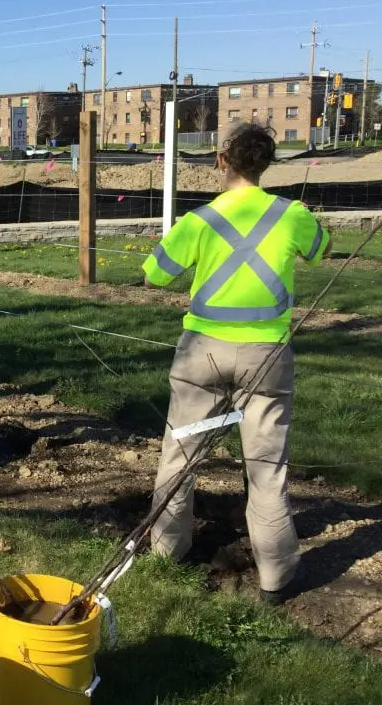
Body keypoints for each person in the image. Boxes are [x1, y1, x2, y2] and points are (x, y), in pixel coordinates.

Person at [143, 123, 331, 606]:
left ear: (220, 161)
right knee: (266, 470)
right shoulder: (292, 216)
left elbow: (154, 276)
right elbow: (321, 248)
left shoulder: (199, 220)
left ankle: (167, 551)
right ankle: (277, 576)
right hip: (266, 357)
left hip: (200, 354)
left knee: (179, 456)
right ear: (266, 164)